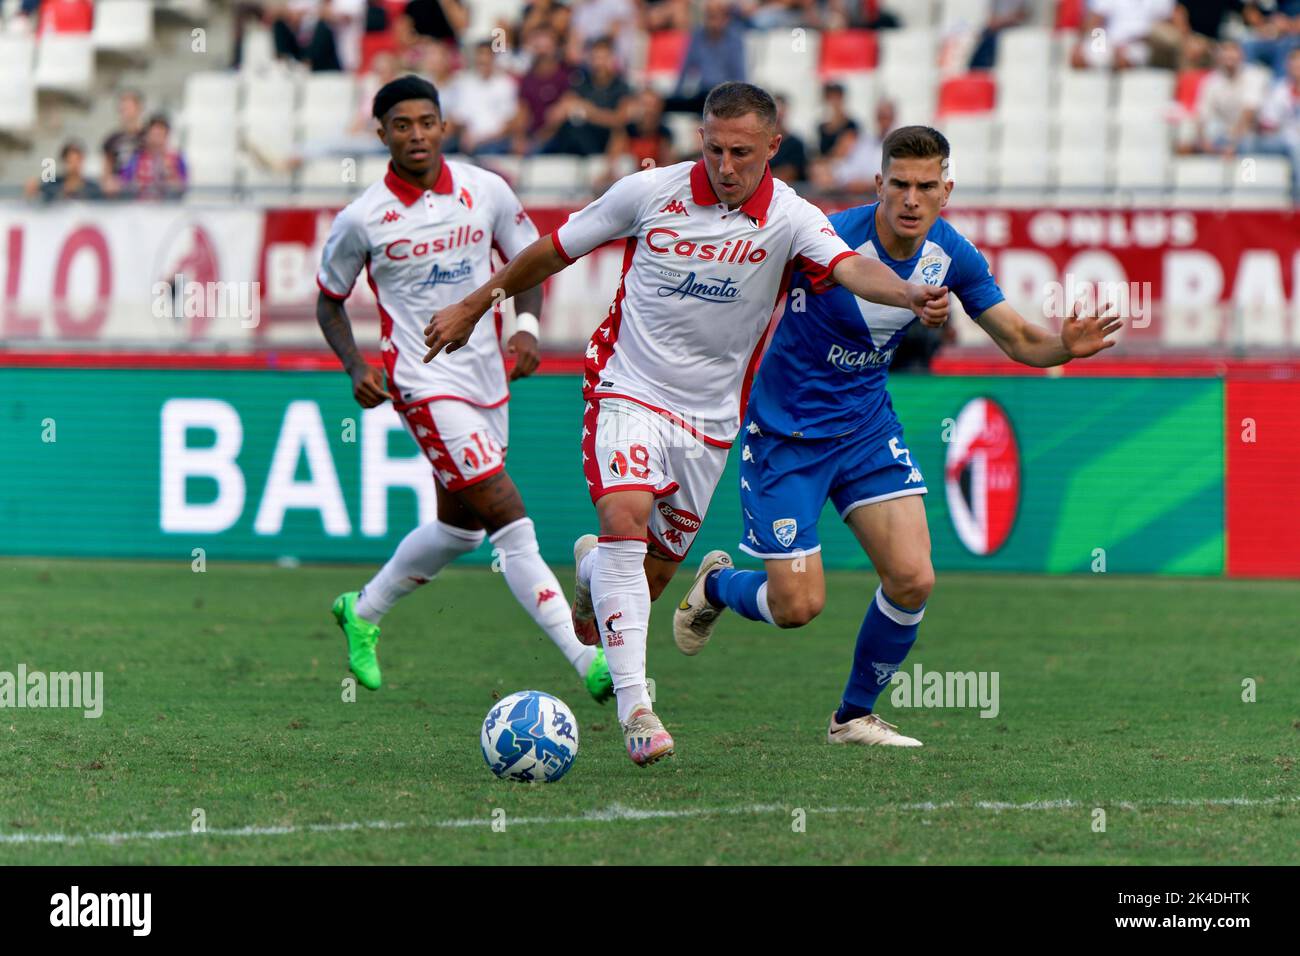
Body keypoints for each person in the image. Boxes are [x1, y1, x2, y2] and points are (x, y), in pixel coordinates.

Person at [424, 82, 949, 766]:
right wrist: (474, 304)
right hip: (629, 387)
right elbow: (555, 249)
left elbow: (850, 267)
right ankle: (637, 708)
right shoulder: (650, 192)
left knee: (649, 577)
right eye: (713, 148)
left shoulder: (791, 216)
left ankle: (593, 574)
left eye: (740, 152)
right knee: (625, 518)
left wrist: (909, 292)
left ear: (772, 148)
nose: (725, 166)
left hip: (708, 419)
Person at [673, 126, 1121, 747]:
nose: (912, 199)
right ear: (879, 183)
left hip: (864, 428)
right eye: (901, 185)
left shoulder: (953, 255)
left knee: (914, 578)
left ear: (947, 190)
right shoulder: (822, 237)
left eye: (927, 187)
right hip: (785, 435)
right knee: (798, 607)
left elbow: (1019, 340)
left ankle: (852, 715)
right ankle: (718, 584)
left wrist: (1061, 348)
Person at [316, 76, 613, 705]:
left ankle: (361, 610)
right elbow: (330, 301)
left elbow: (529, 261)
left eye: (426, 121)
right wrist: (353, 367)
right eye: (402, 125)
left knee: (460, 532)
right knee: (508, 517)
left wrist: (526, 328)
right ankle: (586, 658)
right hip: (422, 382)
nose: (416, 134)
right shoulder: (362, 218)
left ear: (443, 125)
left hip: (488, 378)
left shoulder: (487, 190)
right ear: (382, 134)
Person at [540, 36, 632, 156]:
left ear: (612, 59)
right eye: (595, 58)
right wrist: (564, 109)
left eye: (603, 58)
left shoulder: (621, 87)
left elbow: (621, 120)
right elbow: (556, 113)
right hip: (575, 143)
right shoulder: (581, 83)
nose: (599, 63)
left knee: (619, 133)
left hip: (603, 143)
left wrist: (590, 112)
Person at [120, 115, 187, 200]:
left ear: (167, 135)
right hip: (140, 208)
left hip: (168, 209)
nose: (157, 138)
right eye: (154, 133)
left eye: (161, 133)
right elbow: (124, 182)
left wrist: (171, 175)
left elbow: (183, 185)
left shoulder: (177, 158)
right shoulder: (137, 158)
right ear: (147, 135)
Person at [24, 140, 104, 202]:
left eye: (78, 160)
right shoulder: (51, 186)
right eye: (70, 161)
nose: (75, 165)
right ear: (64, 162)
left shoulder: (93, 188)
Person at [101, 90, 145, 198]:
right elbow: (106, 170)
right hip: (119, 194)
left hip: (143, 192)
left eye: (129, 108)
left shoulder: (147, 137)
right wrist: (108, 182)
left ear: (138, 108)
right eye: (122, 108)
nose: (125, 112)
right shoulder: (112, 139)